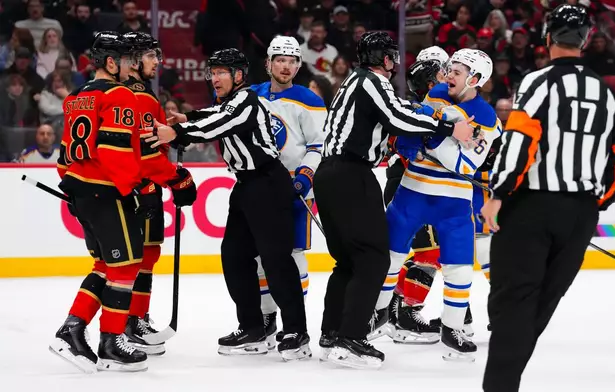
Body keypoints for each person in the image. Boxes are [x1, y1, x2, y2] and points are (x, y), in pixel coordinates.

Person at [480, 5, 615, 391]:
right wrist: (592, 205)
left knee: (512, 304)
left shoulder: (538, 82)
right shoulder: (608, 94)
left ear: (547, 39)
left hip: (532, 206)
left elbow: (521, 140)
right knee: (538, 305)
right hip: (579, 214)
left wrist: (499, 193)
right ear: (584, 41)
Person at [314, 31, 476, 369]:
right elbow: (398, 118)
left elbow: (393, 116)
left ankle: (332, 334)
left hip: (331, 175)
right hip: (350, 176)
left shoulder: (354, 82)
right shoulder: (372, 81)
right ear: (382, 58)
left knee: (347, 261)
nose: (395, 61)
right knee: (373, 258)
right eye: (391, 55)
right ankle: (352, 337)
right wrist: (447, 128)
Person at [142, 48, 310, 361]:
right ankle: (252, 327)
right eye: (213, 72)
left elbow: (222, 124)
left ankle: (296, 332)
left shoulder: (247, 100)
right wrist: (187, 118)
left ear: (239, 76)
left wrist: (177, 130)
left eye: (221, 72)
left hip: (269, 185)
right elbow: (214, 115)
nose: (214, 78)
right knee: (233, 256)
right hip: (246, 186)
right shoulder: (228, 103)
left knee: (276, 261)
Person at [384, 49, 500, 360]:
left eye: (456, 71)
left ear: (474, 79)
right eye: (448, 69)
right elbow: (409, 136)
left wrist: (431, 139)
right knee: (393, 257)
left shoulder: (486, 116)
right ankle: (381, 315)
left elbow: (463, 165)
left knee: (458, 266)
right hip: (412, 187)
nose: (447, 74)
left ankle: (454, 327)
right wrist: (439, 136)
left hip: (454, 199)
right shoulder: (435, 94)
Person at [49, 31, 149, 373]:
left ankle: (73, 329)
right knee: (127, 266)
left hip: (80, 192)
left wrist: (73, 185)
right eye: (124, 60)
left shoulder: (76, 97)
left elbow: (64, 155)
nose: (129, 66)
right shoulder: (120, 95)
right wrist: (134, 187)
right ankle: (111, 342)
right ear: (111, 62)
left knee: (105, 265)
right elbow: (114, 151)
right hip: (107, 193)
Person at [120, 31, 197, 356]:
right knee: (137, 259)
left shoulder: (138, 94)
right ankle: (130, 322)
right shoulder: (139, 96)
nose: (157, 62)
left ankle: (136, 318)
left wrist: (169, 137)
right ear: (136, 59)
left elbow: (148, 141)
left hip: (140, 187)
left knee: (146, 256)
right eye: (152, 56)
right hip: (140, 188)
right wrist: (176, 179)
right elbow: (144, 152)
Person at [249, 35, 326, 349]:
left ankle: (297, 320)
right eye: (280, 60)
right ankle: (268, 319)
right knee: (259, 257)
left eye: (292, 61)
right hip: (261, 186)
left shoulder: (310, 100)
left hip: (294, 187)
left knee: (294, 255)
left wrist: (306, 176)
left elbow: (318, 145)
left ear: (298, 65)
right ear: (268, 63)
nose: (286, 66)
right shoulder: (252, 96)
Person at [367, 58, 445, 341]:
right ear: (429, 84)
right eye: (440, 75)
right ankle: (401, 315)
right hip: (410, 189)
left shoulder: (436, 110)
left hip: (423, 190)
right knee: (429, 254)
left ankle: (394, 310)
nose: (447, 78)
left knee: (430, 254)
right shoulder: (415, 111)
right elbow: (401, 146)